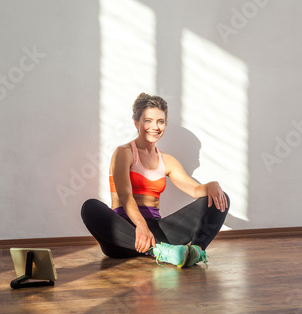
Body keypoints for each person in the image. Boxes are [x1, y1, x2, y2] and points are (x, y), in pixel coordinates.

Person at [81, 93, 230, 267]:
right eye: (148, 121)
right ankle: (159, 251)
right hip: (122, 236)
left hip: (156, 233)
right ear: (137, 123)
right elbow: (125, 195)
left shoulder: (167, 161)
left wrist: (212, 185)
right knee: (90, 207)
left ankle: (195, 251)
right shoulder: (124, 152)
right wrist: (141, 226)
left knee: (221, 199)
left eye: (160, 121)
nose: (155, 127)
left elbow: (195, 190)